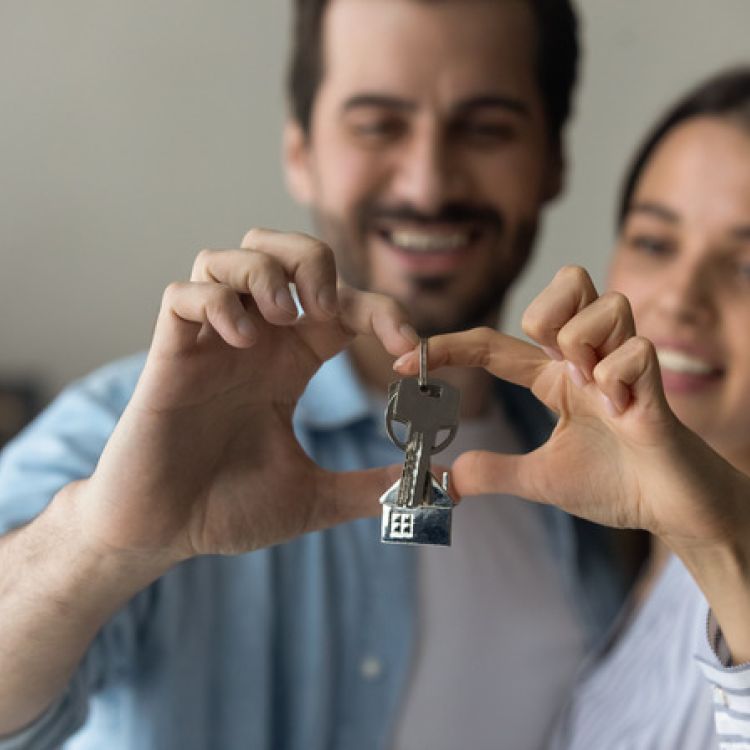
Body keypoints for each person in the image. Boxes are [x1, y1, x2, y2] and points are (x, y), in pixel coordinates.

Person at [0, 2, 626, 749]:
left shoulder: (590, 471)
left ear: (553, 158)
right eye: (377, 124)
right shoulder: (135, 430)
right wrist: (100, 547)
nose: (428, 184)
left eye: (486, 127)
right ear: (301, 150)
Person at [395, 67, 750, 748]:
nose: (680, 297)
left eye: (748, 266)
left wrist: (725, 551)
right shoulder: (626, 552)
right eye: (654, 241)